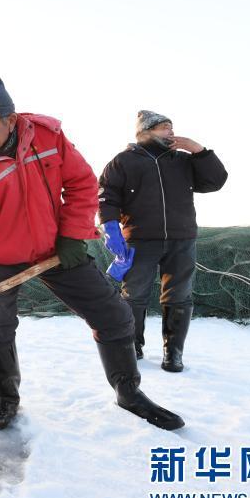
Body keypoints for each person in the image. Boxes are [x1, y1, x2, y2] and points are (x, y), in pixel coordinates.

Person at [0, 73, 185, 432]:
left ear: (10, 120)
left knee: (113, 314)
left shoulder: (47, 139)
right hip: (1, 256)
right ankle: (7, 397)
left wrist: (72, 234)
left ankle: (128, 392)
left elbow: (82, 183)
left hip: (56, 249)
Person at [98, 110, 227, 371]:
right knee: (134, 295)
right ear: (145, 131)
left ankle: (174, 353)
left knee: (179, 295)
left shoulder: (182, 160)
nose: (171, 131)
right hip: (140, 239)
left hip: (182, 239)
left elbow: (216, 180)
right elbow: (106, 197)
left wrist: (198, 150)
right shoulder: (123, 161)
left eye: (171, 126)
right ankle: (132, 346)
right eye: (164, 127)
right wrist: (110, 226)